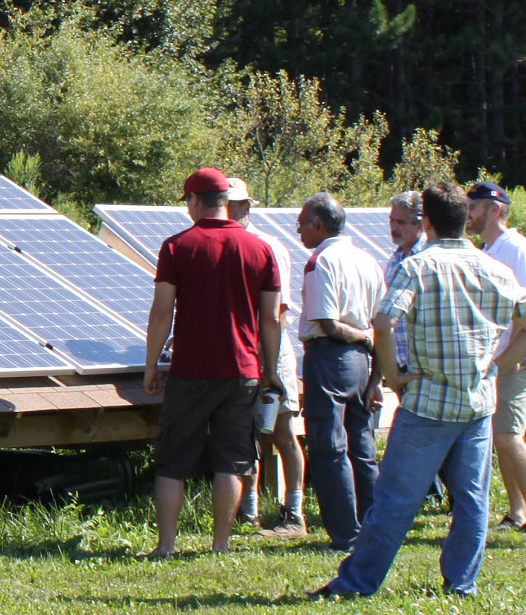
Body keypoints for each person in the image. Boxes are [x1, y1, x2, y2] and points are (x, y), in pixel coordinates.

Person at [311, 181, 526, 598]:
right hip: (476, 404)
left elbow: (383, 322)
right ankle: (461, 585)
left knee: (394, 501)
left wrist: (394, 375)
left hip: (428, 403)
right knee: (472, 501)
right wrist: (497, 364)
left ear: (428, 222)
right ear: (465, 219)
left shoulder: (419, 266)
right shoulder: (494, 267)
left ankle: (355, 583)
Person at [142, 167, 283, 557]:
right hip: (243, 371)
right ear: (225, 201)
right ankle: (220, 545)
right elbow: (270, 318)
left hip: (191, 369)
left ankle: (166, 546)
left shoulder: (177, 247)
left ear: (194, 200)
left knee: (173, 461)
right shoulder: (261, 249)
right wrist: (269, 371)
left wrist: (151, 364)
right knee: (232, 460)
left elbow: (161, 310)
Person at [295, 192, 386, 553]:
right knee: (361, 445)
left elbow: (327, 323)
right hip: (363, 363)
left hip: (331, 358)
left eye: (302, 223)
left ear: (319, 224)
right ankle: (373, 525)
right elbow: (383, 323)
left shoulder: (321, 262)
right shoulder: (368, 260)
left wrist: (360, 337)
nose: (299, 230)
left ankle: (345, 534)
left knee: (329, 446)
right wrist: (376, 375)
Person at [466, 181, 526, 535]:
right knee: (500, 436)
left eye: (474, 207)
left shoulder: (516, 249)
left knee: (510, 436)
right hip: (494, 360)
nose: (468, 215)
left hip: (515, 360)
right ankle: (517, 512)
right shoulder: (488, 248)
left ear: (494, 209)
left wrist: (513, 354)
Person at [227, 178, 308, 538]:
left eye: (234, 205)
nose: (228, 211)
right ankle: (249, 511)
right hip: (238, 353)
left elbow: (279, 312)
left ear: (246, 207)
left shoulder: (268, 246)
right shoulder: (223, 245)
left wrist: (268, 363)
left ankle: (294, 512)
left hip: (272, 353)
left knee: (282, 431)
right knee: (243, 434)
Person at [385, 191, 427, 373]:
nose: (394, 227)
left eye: (400, 222)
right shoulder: (394, 260)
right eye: (391, 220)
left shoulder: (428, 259)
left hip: (423, 364)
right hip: (401, 363)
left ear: (421, 224)